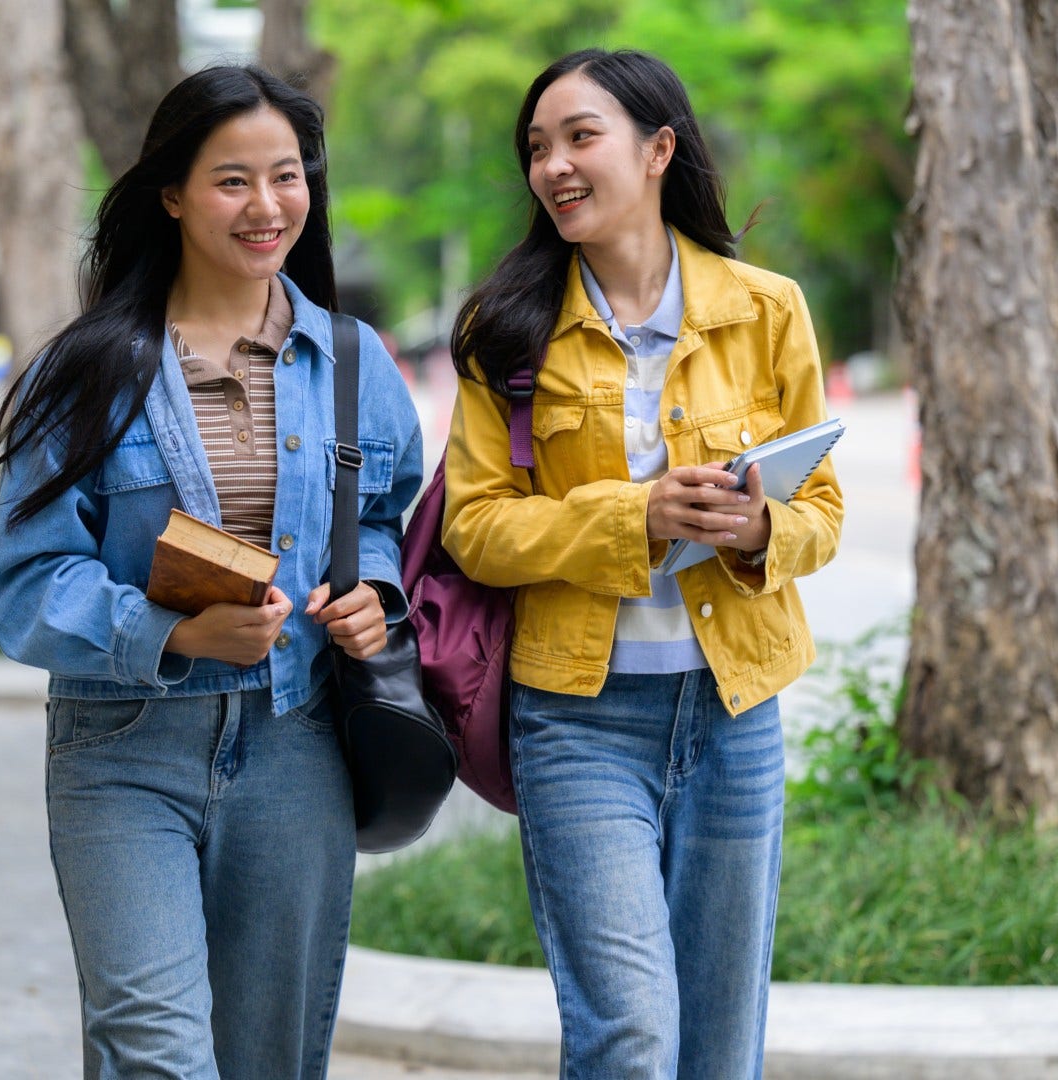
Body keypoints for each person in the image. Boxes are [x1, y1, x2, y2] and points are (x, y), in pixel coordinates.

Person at [0, 65, 423, 1080]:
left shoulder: (354, 363)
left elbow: (390, 522)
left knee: (266, 1059)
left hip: (297, 747)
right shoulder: (88, 371)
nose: (268, 206)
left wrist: (375, 598)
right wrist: (171, 633)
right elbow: (25, 581)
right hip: (122, 749)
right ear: (171, 192)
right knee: (155, 1052)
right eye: (233, 181)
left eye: (287, 176)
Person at [441, 49, 843, 1079]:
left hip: (734, 713)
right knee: (628, 1033)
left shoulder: (767, 309)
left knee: (718, 1042)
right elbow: (476, 527)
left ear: (659, 149)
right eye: (538, 147)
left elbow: (824, 511)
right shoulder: (511, 327)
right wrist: (638, 516)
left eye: (581, 137)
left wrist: (757, 532)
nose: (554, 166)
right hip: (576, 718)